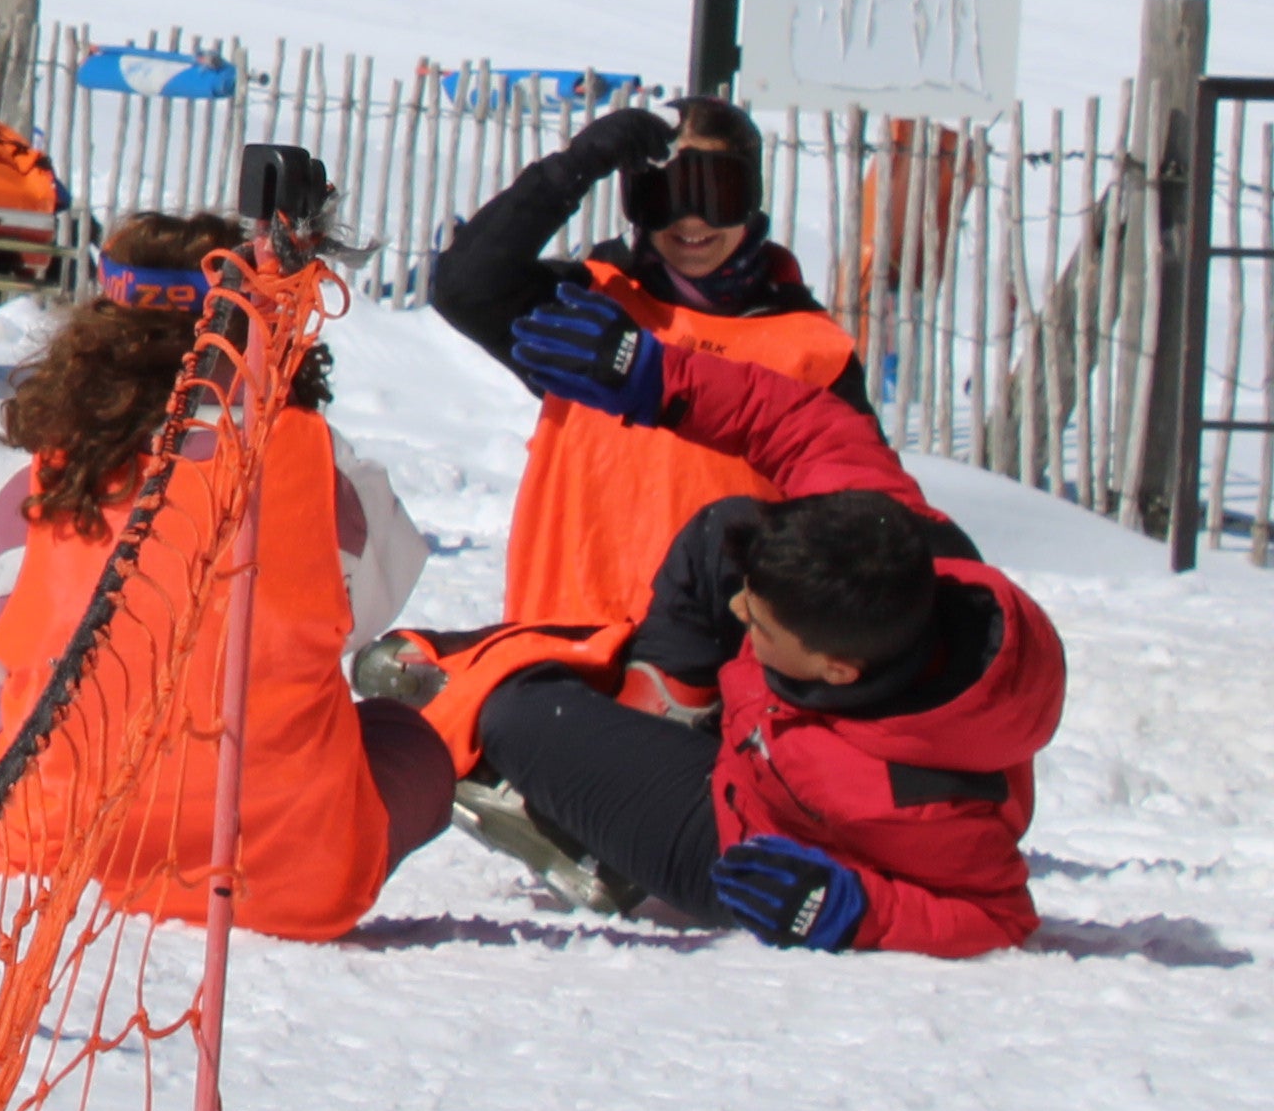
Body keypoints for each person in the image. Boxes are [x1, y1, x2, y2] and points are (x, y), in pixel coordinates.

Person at [396, 295, 1063, 954]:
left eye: (763, 626)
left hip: (735, 828)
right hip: (759, 732)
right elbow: (795, 417)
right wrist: (652, 376)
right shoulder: (888, 534)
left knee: (511, 713)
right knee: (729, 535)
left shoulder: (926, 803)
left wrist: (850, 910)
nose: (741, 615)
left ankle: (608, 845)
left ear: (839, 669)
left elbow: (999, 915)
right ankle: (656, 711)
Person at [0, 216, 450, 934]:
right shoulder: (315, 469)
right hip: (288, 875)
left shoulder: (40, 481)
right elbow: (369, 613)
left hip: (57, 857)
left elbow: (2, 651)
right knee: (407, 735)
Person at [431, 96, 863, 630]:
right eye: (664, 195)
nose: (691, 221)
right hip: (562, 650)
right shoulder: (590, 308)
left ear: (751, 199)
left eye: (717, 192)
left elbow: (857, 529)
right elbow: (464, 287)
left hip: (716, 668)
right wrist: (575, 167)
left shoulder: (811, 350)